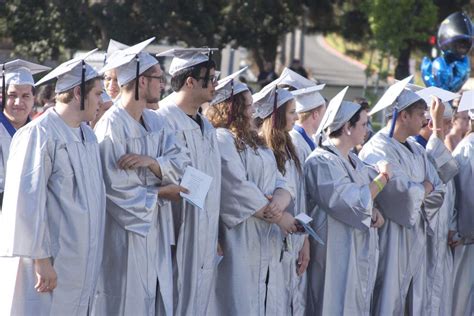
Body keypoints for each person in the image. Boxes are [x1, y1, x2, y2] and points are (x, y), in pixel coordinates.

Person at [0, 49, 106, 315]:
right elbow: (25, 202)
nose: (102, 101)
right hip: (49, 264)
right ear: (78, 93)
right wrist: (41, 258)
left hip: (79, 262)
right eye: (97, 93)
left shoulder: (87, 136)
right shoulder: (38, 134)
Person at [91, 38, 189, 316]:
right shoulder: (111, 127)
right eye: (158, 78)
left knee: (152, 300)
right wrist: (160, 191)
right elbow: (114, 189)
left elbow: (181, 163)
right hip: (124, 235)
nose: (164, 84)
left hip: (155, 231)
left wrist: (152, 162)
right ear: (141, 81)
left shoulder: (157, 121)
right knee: (124, 301)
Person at [206, 68, 295, 315]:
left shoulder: (257, 142)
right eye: (247, 106)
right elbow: (236, 188)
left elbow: (283, 182)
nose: (252, 111)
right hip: (241, 237)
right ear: (230, 108)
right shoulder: (221, 139)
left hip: (265, 236)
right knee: (240, 301)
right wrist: (278, 215)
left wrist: (278, 202)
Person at [359, 77, 445, 315]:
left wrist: (423, 189)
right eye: (420, 114)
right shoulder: (377, 148)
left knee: (411, 301)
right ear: (403, 115)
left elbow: (440, 188)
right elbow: (401, 193)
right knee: (387, 299)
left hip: (416, 238)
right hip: (390, 237)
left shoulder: (417, 148)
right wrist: (424, 188)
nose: (426, 119)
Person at [304, 86, 386, 315]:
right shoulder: (321, 162)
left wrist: (374, 210)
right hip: (334, 251)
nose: (367, 130)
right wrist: (383, 178)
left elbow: (365, 200)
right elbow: (350, 200)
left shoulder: (353, 160)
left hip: (355, 250)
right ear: (347, 127)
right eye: (363, 124)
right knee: (332, 303)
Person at [155, 48, 222, 316]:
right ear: (191, 81)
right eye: (211, 78)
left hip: (203, 232)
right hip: (175, 229)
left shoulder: (205, 126)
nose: (216, 85)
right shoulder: (162, 118)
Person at [254, 83, 309, 315]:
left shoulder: (290, 148)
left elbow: (300, 199)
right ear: (276, 116)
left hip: (290, 242)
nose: (297, 117)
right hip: (267, 241)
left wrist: (305, 240)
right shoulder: (262, 149)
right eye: (291, 112)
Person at [411, 88, 459, 315]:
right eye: (445, 123)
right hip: (421, 238)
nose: (448, 128)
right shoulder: (418, 150)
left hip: (439, 238)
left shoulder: (431, 149)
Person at [0, 59, 50, 202]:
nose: (18, 102)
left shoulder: (40, 132)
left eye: (25, 96)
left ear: (34, 99)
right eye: (12, 95)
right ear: (2, 96)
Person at [451, 108, 474, 316]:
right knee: (464, 298)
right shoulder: (467, 148)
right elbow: (466, 193)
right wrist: (467, 231)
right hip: (467, 235)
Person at [289, 85, 326, 163]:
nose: (324, 120)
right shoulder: (296, 143)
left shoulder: (306, 139)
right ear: (315, 115)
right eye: (324, 114)